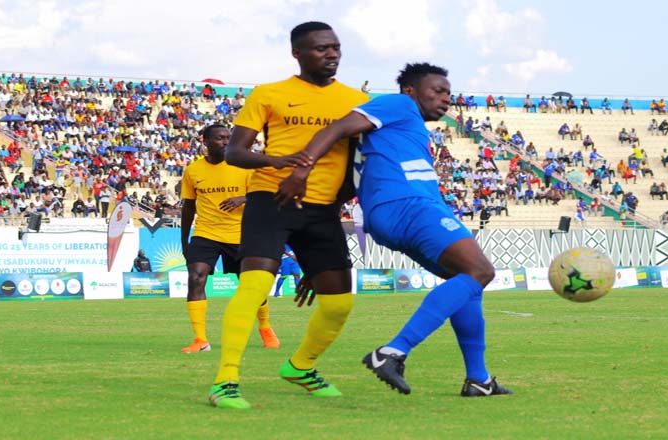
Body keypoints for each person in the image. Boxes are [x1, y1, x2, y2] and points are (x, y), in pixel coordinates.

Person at [276, 62, 511, 397]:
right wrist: (302, 168)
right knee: (480, 271)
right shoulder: (398, 104)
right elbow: (338, 127)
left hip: (394, 211)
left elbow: (350, 181)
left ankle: (479, 379)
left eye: (448, 93)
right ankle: (393, 352)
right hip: (408, 205)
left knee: (466, 281)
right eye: (438, 90)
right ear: (411, 90)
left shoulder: (397, 129)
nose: (446, 98)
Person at [207, 21, 369, 410]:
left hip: (323, 210)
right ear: (297, 53)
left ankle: (301, 366)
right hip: (270, 200)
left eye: (336, 47)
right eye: (321, 49)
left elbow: (357, 166)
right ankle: (224, 381)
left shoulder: (356, 100)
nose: (331, 54)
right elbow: (234, 152)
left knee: (338, 303)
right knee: (254, 287)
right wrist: (280, 163)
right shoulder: (269, 94)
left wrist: (335, 203)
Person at [180, 124, 279, 355]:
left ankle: (265, 327)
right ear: (205, 141)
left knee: (251, 285)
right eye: (219, 138)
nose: (225, 142)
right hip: (206, 233)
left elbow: (267, 197)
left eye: (228, 138)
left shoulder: (245, 168)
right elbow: (188, 207)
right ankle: (200, 340)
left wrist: (243, 199)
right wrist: (185, 242)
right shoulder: (193, 171)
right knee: (196, 277)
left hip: (241, 234)